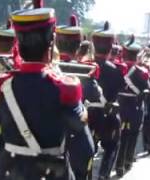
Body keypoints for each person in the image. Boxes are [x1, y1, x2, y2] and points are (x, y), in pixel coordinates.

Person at [0, 0, 89, 179]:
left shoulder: (0, 85)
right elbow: (86, 148)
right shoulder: (65, 87)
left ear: (18, 43)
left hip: (7, 172)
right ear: (51, 41)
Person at [55, 14, 95, 180]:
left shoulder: (48, 70)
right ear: (78, 46)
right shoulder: (87, 70)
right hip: (75, 137)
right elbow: (93, 96)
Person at [92, 21, 126, 179]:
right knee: (112, 146)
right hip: (107, 117)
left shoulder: (86, 66)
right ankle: (103, 175)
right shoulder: (115, 70)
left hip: (87, 115)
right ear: (110, 46)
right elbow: (121, 88)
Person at [115, 36, 150, 177]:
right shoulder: (142, 72)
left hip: (120, 106)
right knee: (133, 135)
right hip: (135, 107)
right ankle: (128, 161)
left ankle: (118, 165)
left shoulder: (117, 68)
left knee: (120, 136)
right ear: (136, 55)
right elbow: (146, 91)